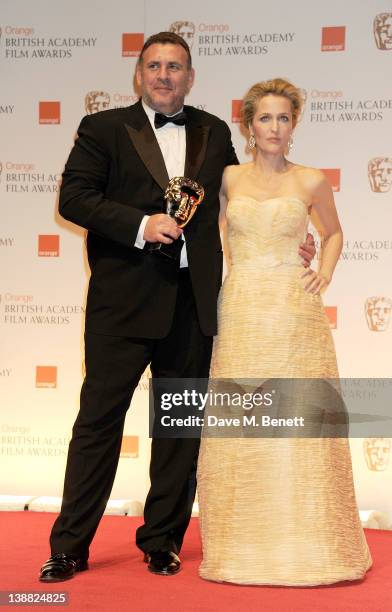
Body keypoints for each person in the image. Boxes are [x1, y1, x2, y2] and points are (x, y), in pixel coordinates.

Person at [38, 34, 313, 582]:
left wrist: (291, 234)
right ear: (139, 75)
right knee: (97, 424)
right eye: (155, 66)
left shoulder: (212, 132)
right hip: (122, 305)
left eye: (176, 67)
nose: (165, 75)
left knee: (179, 429)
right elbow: (74, 198)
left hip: (193, 303)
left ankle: (162, 540)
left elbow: (247, 196)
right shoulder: (104, 129)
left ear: (191, 77)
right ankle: (69, 547)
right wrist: (141, 225)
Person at [197, 78, 372, 585]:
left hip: (294, 312)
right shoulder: (228, 178)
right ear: (249, 126)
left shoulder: (312, 180)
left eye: (284, 118)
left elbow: (334, 232)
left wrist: (325, 269)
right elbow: (207, 235)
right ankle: (241, 545)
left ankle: (309, 542)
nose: (275, 128)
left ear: (294, 124)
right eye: (265, 118)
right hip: (243, 310)